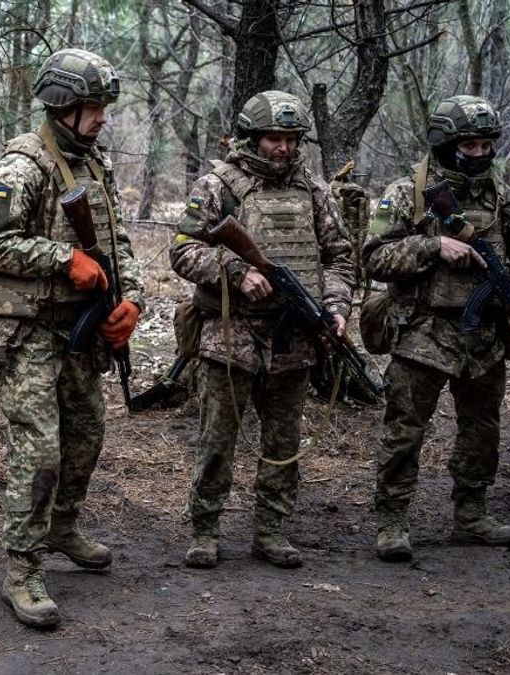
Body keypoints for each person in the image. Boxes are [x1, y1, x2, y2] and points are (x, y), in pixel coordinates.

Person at [0, 48, 144, 629]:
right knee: (39, 451)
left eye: (104, 107)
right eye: (94, 108)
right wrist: (64, 258)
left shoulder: (95, 165)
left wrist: (131, 298)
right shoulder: (22, 166)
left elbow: (118, 248)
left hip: (80, 332)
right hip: (27, 333)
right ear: (63, 106)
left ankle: (63, 526)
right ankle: (23, 568)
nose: (103, 118)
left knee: (87, 435)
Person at [169, 90, 355, 570]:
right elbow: (183, 251)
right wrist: (235, 270)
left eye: (292, 139)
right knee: (217, 441)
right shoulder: (216, 186)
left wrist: (335, 307)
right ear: (251, 136)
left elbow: (339, 257)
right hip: (229, 337)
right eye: (274, 137)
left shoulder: (313, 189)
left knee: (283, 442)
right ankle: (205, 530)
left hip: (293, 336)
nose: (284, 148)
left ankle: (271, 530)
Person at [363, 95, 510, 562]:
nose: (480, 153)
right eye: (470, 145)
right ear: (446, 144)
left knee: (482, 430)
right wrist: (432, 247)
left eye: (487, 145)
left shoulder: (503, 197)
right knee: (404, 430)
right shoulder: (407, 192)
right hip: (423, 330)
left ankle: (472, 513)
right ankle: (392, 520)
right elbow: (374, 256)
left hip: (483, 336)